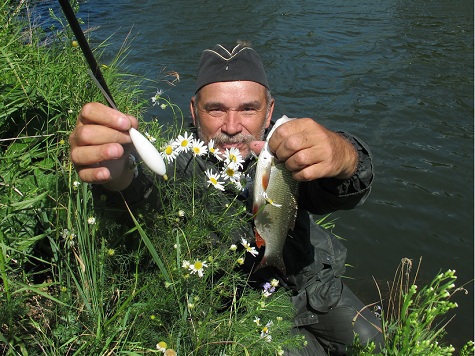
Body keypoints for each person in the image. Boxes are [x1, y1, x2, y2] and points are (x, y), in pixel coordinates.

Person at [69, 43, 383, 354]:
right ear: (193, 111)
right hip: (242, 304)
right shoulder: (176, 163)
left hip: (313, 284)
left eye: (248, 109)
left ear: (269, 111)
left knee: (379, 344)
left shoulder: (288, 152)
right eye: (216, 109)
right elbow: (146, 198)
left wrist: (344, 155)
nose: (232, 127)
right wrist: (119, 176)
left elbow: (341, 190)